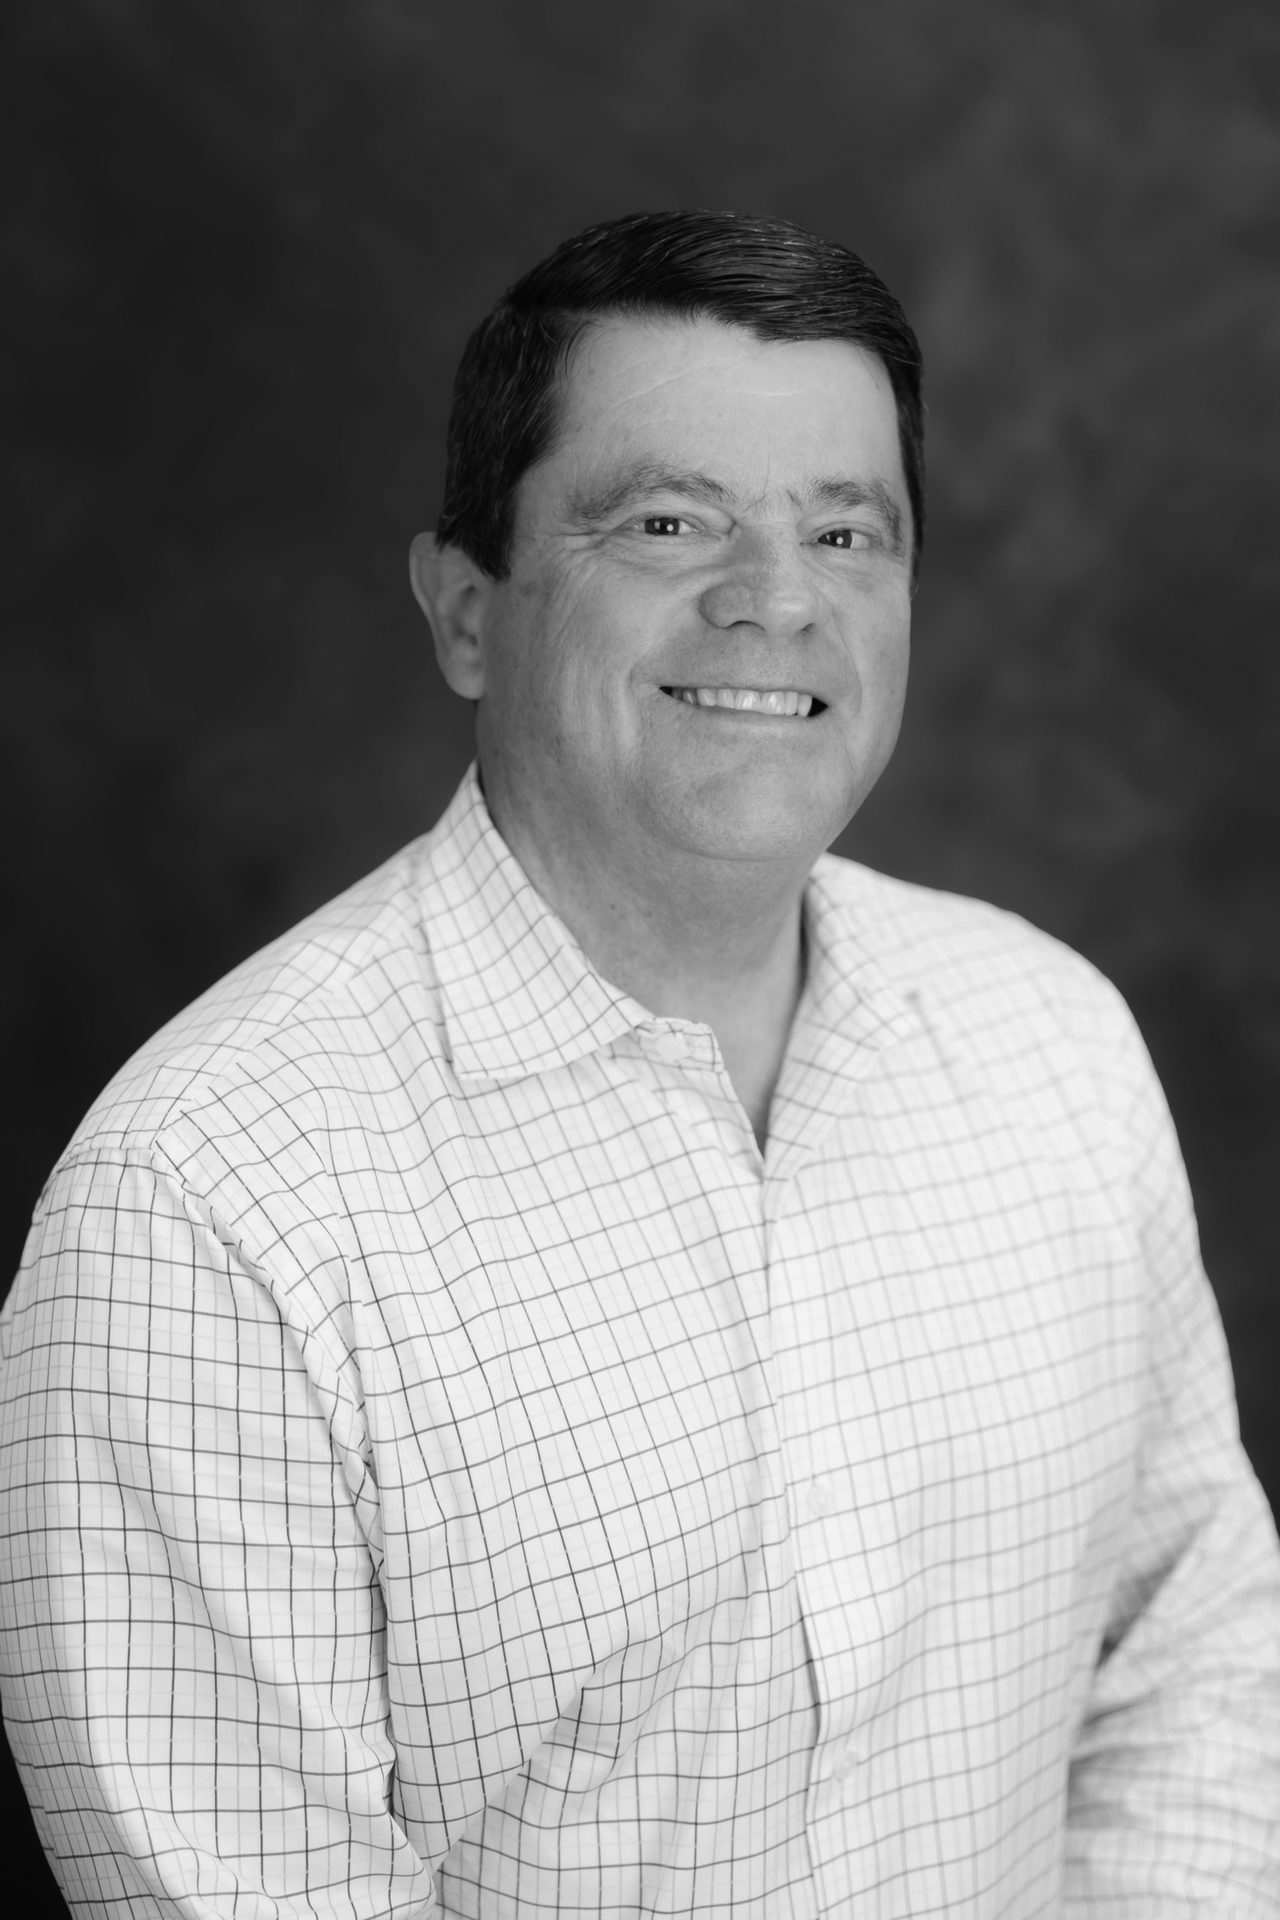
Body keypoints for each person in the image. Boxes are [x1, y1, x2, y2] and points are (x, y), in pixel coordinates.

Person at [1, 209, 1277, 1918]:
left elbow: (1195, 1649)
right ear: (468, 613)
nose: (776, 602)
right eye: (669, 522)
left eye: (847, 531)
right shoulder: (205, 1210)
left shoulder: (1053, 1043)